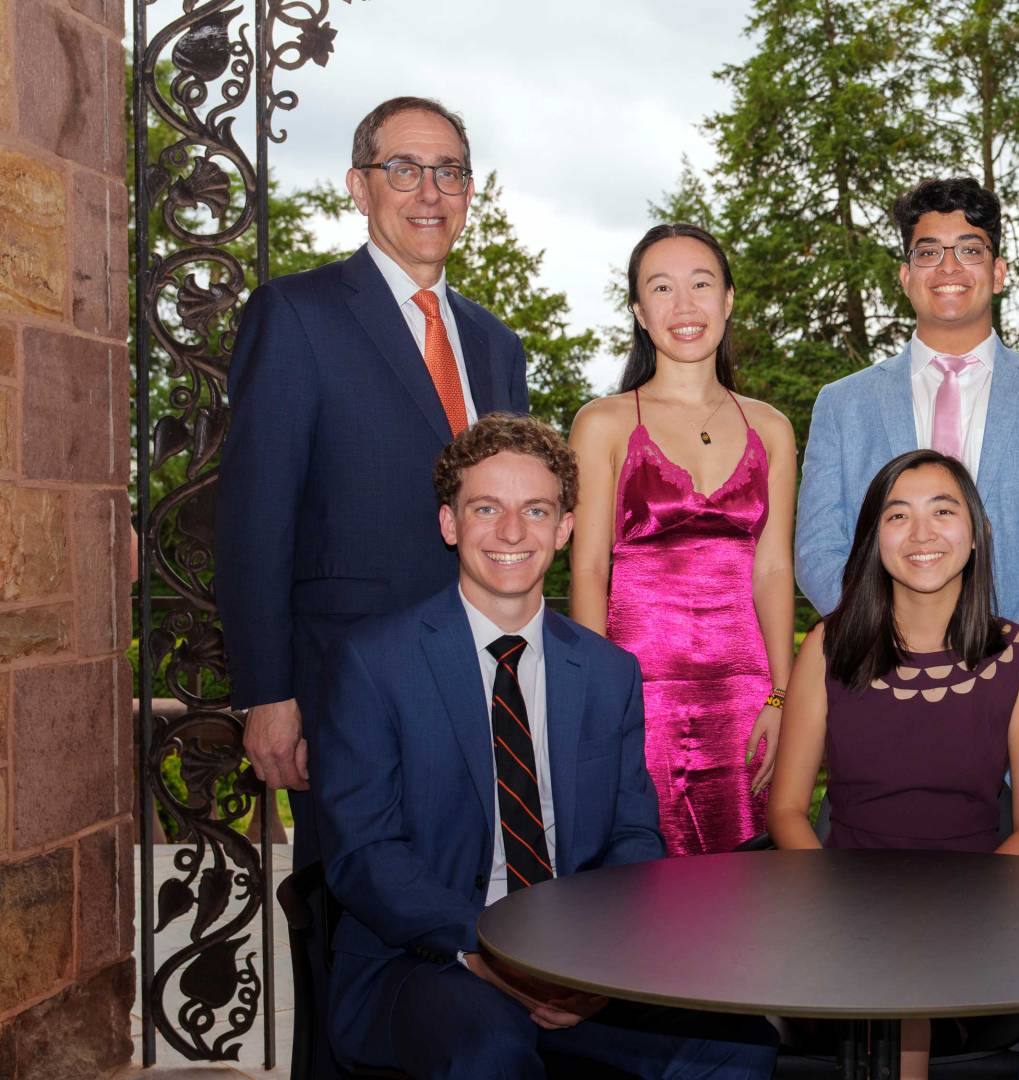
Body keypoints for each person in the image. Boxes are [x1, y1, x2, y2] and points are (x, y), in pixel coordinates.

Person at [310, 414, 777, 1079]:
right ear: (449, 524)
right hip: (429, 961)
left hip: (580, 963)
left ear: (563, 529)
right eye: (485, 508)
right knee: (488, 1052)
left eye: (535, 510)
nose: (510, 532)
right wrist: (491, 953)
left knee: (738, 1043)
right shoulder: (372, 663)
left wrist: (598, 963)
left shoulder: (609, 673)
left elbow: (632, 840)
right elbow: (365, 855)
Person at [215, 95, 528, 869]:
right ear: (360, 188)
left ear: (469, 192)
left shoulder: (497, 345)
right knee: (346, 932)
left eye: (448, 172)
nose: (429, 192)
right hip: (341, 693)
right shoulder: (294, 313)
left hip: (485, 685)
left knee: (474, 917)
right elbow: (255, 518)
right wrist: (268, 693)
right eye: (404, 169)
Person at [795, 177, 1019, 817]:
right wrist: (890, 653)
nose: (949, 267)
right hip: (876, 692)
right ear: (905, 276)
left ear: (998, 272)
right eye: (928, 251)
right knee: (868, 904)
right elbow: (820, 551)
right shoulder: (843, 404)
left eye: (969, 249)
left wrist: (997, 667)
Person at [771, 449, 1019, 1080]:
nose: (922, 533)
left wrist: (947, 918)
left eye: (943, 511)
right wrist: (832, 899)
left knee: (910, 978)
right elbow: (788, 810)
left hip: (975, 913)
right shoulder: (827, 644)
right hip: (841, 907)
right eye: (898, 515)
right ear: (874, 540)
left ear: (978, 533)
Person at [569, 223, 797, 857]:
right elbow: (587, 570)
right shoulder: (602, 422)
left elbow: (774, 570)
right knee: (638, 892)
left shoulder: (772, 428)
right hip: (637, 697)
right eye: (661, 289)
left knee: (752, 895)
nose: (685, 306)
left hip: (748, 697)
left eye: (701, 284)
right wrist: (596, 701)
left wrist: (783, 695)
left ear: (728, 299)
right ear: (640, 313)